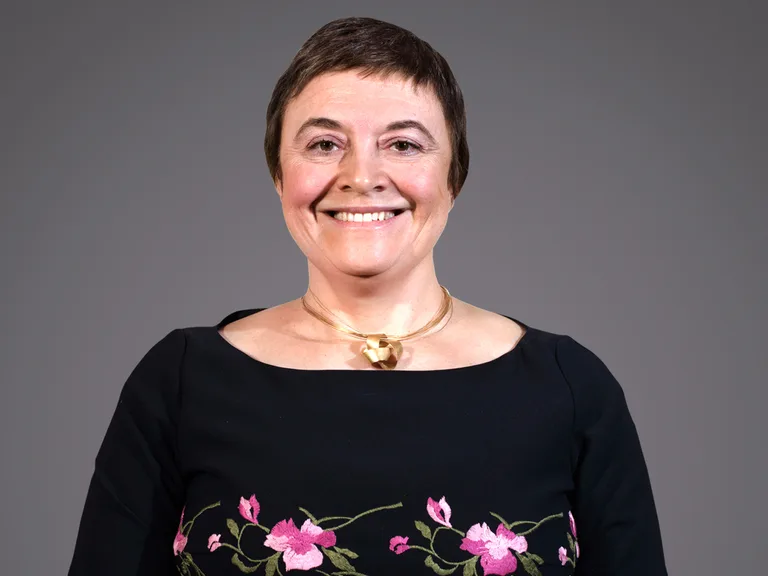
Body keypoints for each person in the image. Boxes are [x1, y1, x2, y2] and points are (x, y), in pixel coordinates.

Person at [68, 16, 667, 576]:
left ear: (454, 176)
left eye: (403, 144)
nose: (362, 176)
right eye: (324, 144)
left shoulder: (570, 387)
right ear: (279, 174)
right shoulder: (180, 383)